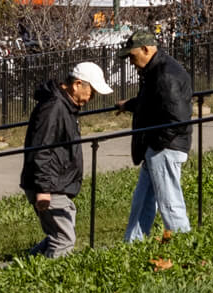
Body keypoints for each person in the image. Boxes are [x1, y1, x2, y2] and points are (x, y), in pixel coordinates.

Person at [19, 61, 113, 257]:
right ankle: (47, 280)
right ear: (77, 84)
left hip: (58, 183)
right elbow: (41, 149)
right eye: (91, 92)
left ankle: (26, 265)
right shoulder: (54, 107)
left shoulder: (65, 106)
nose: (91, 97)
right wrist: (43, 190)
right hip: (50, 186)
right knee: (64, 240)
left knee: (59, 233)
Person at [115, 29, 193, 242]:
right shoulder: (156, 71)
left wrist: (157, 145)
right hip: (158, 147)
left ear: (146, 49)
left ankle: (183, 243)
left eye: (132, 56)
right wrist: (129, 105)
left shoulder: (164, 74)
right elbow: (153, 102)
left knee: (169, 202)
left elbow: (177, 118)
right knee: (143, 201)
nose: (130, 62)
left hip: (165, 147)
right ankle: (133, 243)